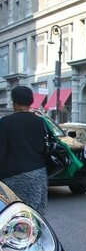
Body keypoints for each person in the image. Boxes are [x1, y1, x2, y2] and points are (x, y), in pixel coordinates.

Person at [0, 86, 48, 214]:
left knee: (14, 217)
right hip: (38, 174)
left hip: (13, 176)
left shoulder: (5, 123)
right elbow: (43, 148)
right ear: (30, 101)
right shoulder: (40, 122)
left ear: (14, 101)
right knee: (36, 216)